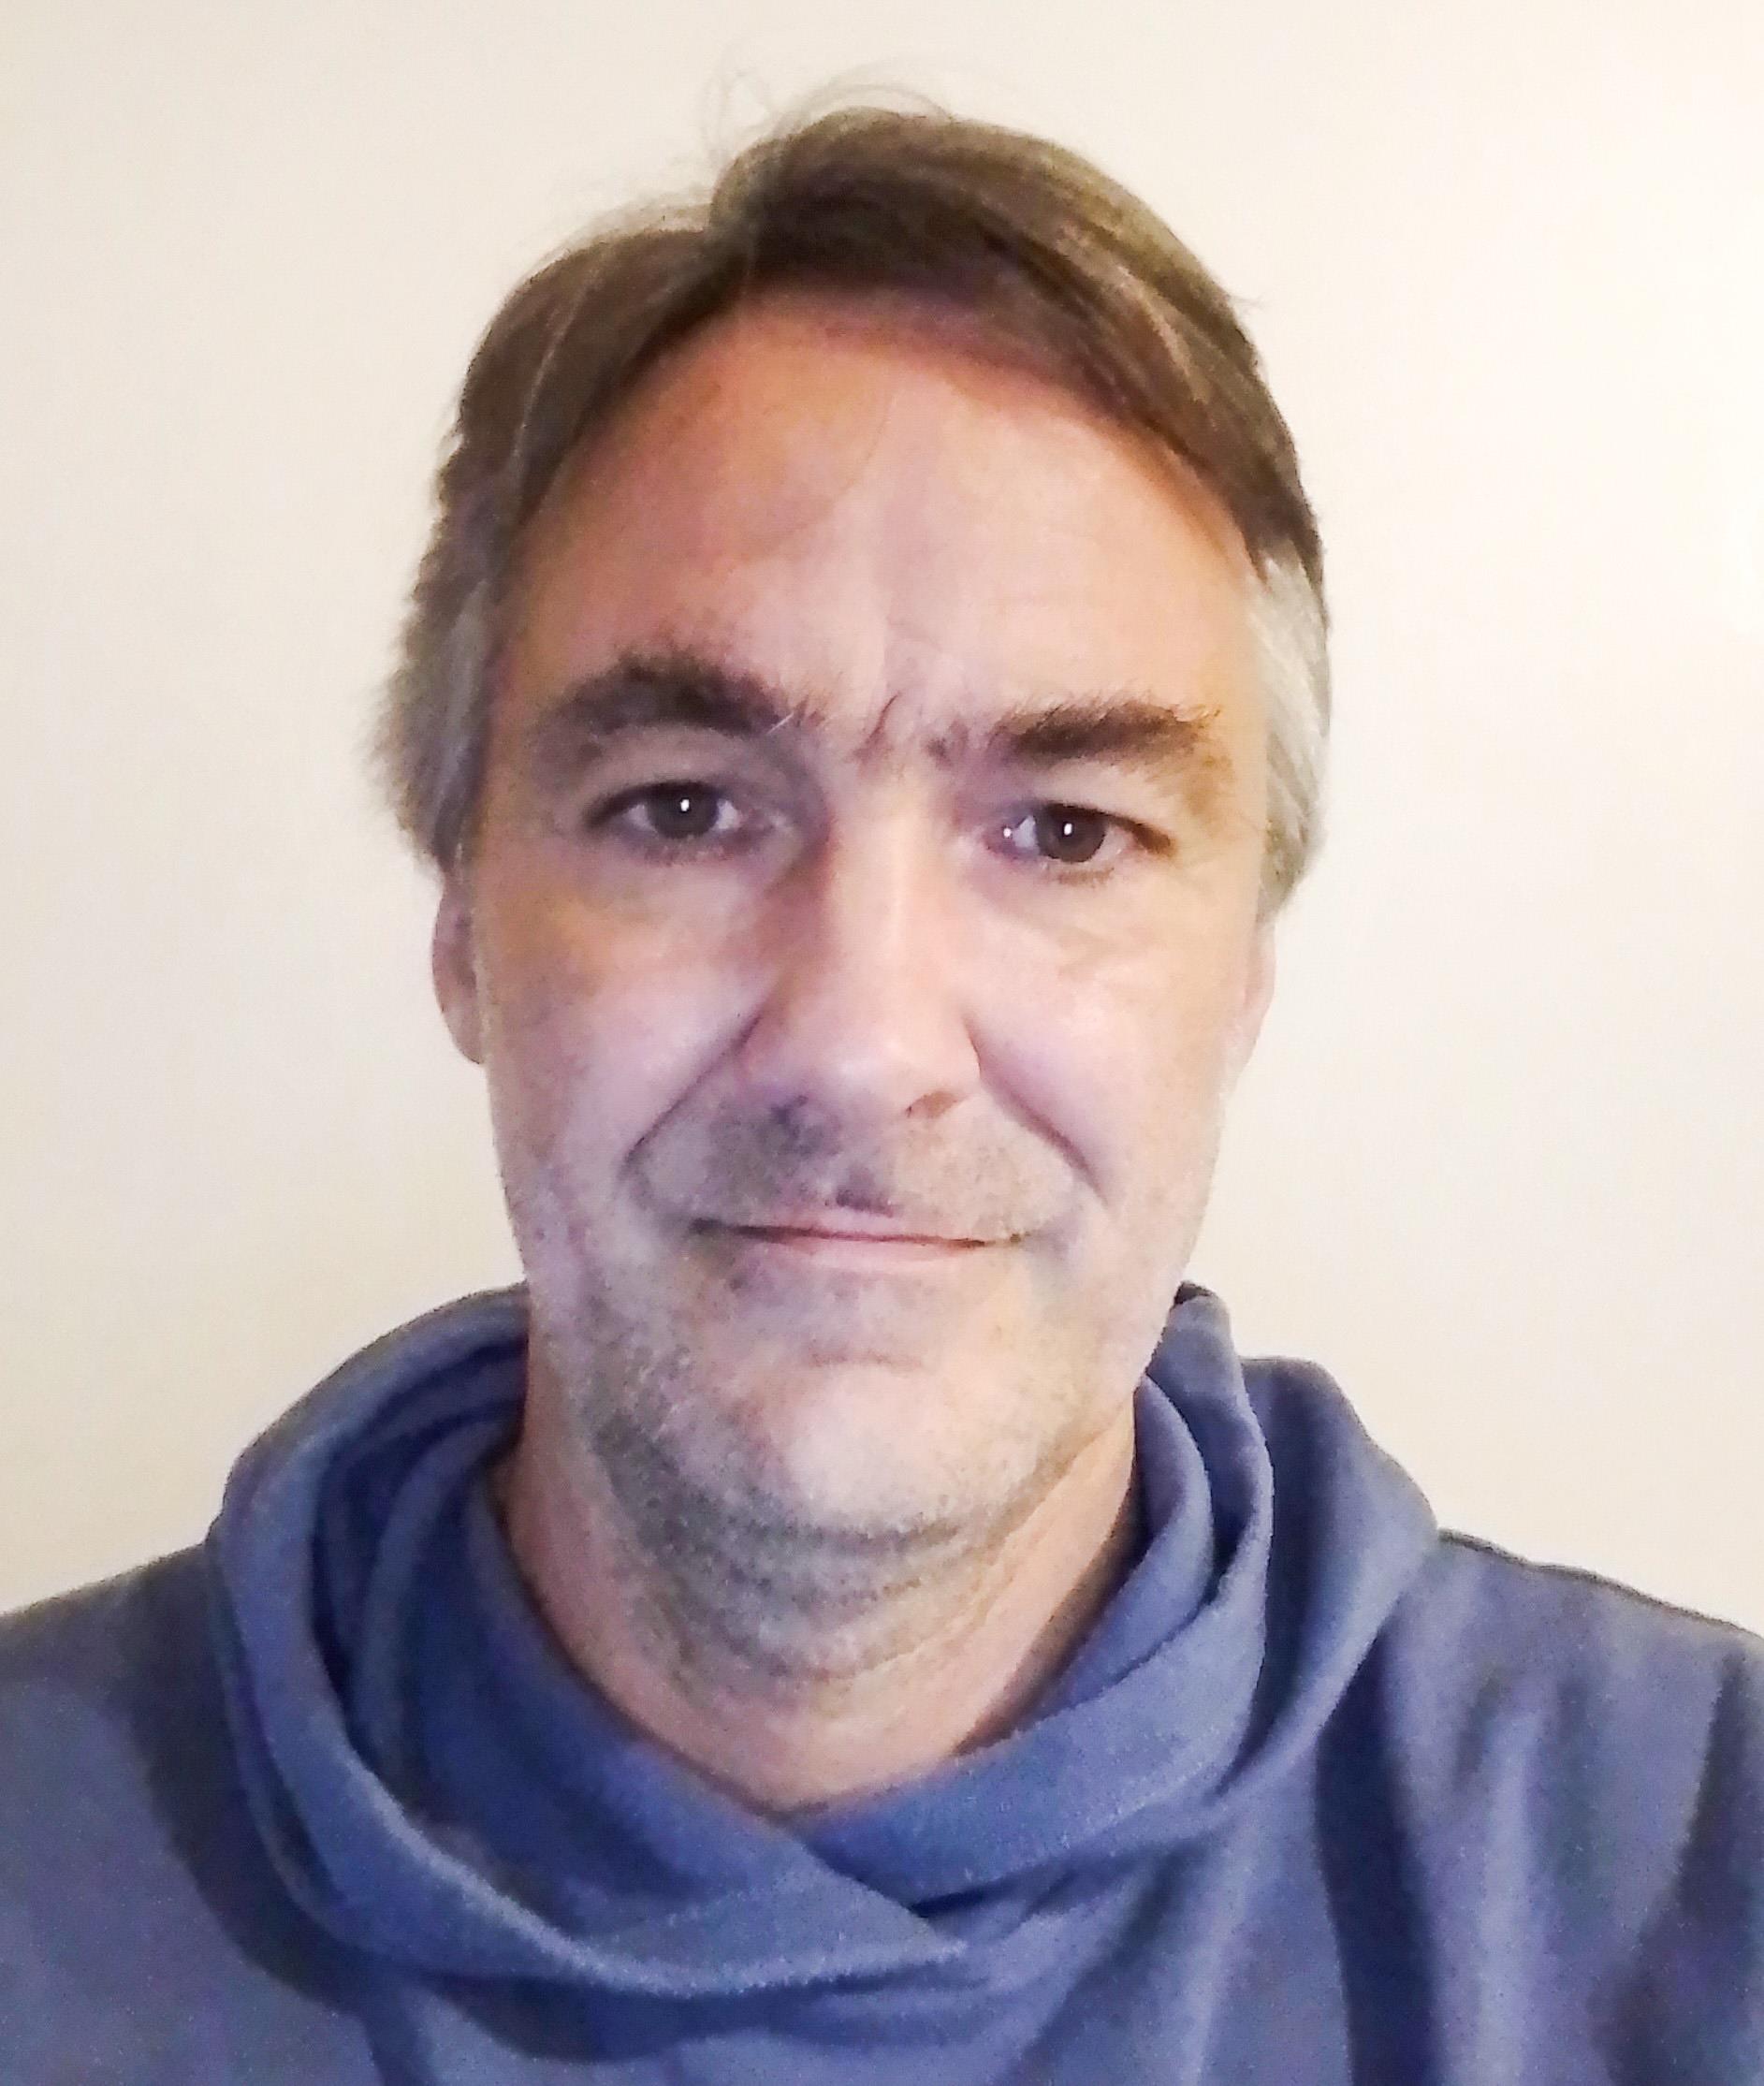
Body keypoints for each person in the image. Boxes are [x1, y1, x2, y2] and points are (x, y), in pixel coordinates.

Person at [1, 97, 1758, 2085]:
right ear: (465, 922)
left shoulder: (1696, 1874)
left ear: (1246, 975)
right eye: (685, 809)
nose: (863, 1042)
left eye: (1067, 831)